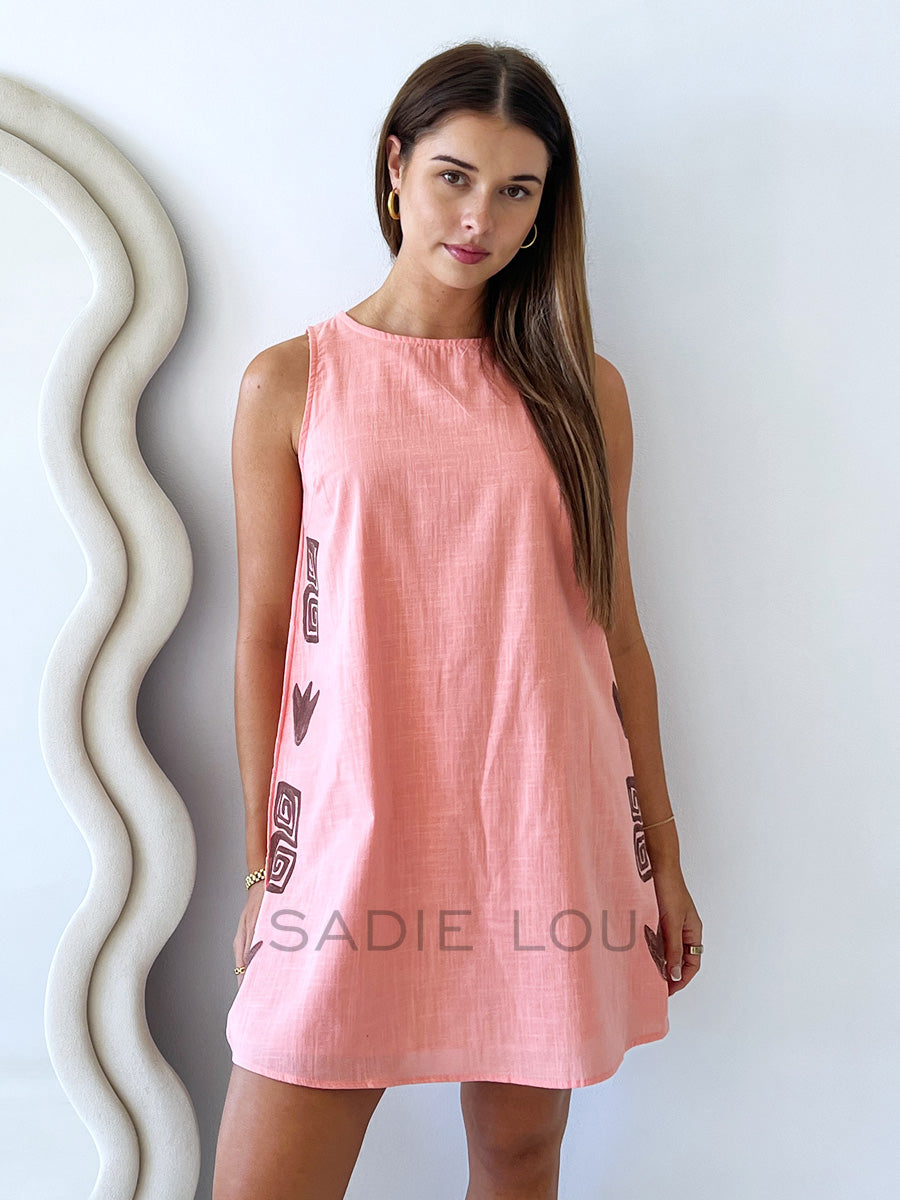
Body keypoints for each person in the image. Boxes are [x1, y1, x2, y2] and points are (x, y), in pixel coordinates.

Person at [212, 39, 703, 1200]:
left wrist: (667, 863)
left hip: (541, 827)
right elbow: (265, 634)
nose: (480, 216)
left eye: (517, 190)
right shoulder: (292, 382)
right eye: (453, 175)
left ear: (544, 212)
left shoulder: (582, 392)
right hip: (352, 834)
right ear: (396, 168)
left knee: (521, 1158)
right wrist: (267, 866)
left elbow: (616, 637)